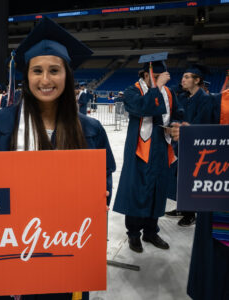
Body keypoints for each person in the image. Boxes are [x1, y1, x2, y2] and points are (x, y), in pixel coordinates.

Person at [0, 16, 116, 300]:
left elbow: (103, 187)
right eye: (37, 71)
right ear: (25, 76)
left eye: (54, 70)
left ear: (67, 75)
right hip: (1, 257)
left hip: (63, 258)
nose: (45, 80)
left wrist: (99, 199)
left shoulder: (90, 131)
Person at [113, 53, 183, 253]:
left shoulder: (169, 93)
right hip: (140, 149)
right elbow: (143, 108)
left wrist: (176, 124)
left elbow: (178, 112)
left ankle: (151, 231)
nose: (160, 79)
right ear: (145, 75)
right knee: (138, 192)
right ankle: (134, 234)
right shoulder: (132, 92)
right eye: (155, 76)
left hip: (161, 146)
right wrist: (157, 87)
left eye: (162, 76)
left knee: (156, 191)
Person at [170, 86, 229, 300]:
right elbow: (201, 144)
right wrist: (188, 135)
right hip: (220, 197)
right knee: (218, 259)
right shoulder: (218, 102)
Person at [166, 64, 212, 227]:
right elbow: (177, 115)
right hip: (181, 143)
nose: (183, 80)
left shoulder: (206, 99)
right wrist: (174, 124)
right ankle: (182, 207)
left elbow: (207, 124)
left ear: (197, 80)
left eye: (187, 77)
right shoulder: (184, 98)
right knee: (179, 177)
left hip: (197, 146)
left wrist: (188, 127)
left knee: (190, 178)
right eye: (183, 76)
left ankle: (190, 213)